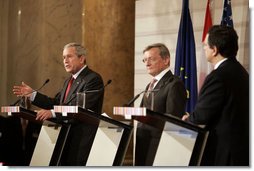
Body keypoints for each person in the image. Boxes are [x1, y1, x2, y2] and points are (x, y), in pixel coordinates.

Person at [13, 42, 104, 165]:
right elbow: (56, 103)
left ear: (81, 58)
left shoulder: (92, 79)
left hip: (81, 138)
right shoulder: (68, 81)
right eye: (64, 57)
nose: (65, 61)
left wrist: (52, 113)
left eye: (69, 56)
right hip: (65, 136)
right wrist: (33, 95)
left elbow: (80, 108)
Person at [182, 25, 249, 166]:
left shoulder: (218, 76)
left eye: (206, 45)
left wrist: (187, 119)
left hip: (223, 153)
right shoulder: (242, 72)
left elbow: (202, 116)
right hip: (241, 150)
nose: (204, 48)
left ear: (215, 50)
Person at [135, 43, 187, 166]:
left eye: (151, 59)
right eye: (145, 60)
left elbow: (173, 119)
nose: (147, 64)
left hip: (158, 145)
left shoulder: (174, 84)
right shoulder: (150, 85)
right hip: (143, 141)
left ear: (166, 60)